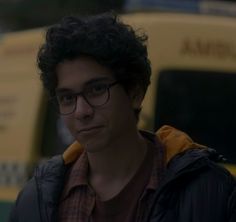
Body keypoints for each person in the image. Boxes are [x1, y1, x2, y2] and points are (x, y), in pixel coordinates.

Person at [9, 12, 236, 222]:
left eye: (97, 90)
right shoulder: (38, 199)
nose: (81, 111)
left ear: (135, 93)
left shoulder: (209, 192)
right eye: (67, 98)